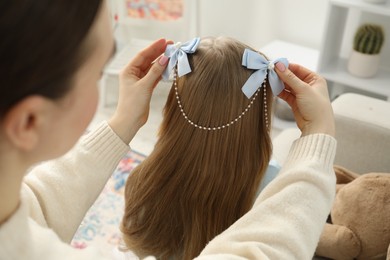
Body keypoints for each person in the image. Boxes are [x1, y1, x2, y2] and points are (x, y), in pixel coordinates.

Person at [0, 1, 336, 260]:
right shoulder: (273, 187)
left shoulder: (142, 182)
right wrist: (318, 136)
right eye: (99, 71)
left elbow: (36, 207)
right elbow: (272, 241)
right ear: (29, 121)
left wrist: (121, 123)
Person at [120, 36, 335, 260]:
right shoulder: (275, 184)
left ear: (174, 108)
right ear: (259, 119)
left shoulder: (143, 180)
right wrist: (320, 127)